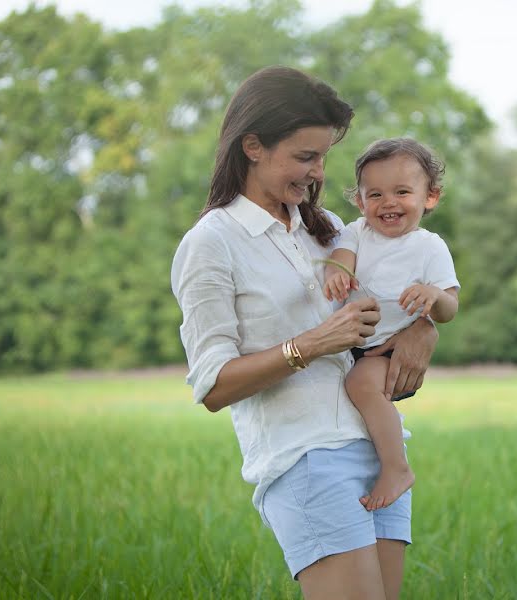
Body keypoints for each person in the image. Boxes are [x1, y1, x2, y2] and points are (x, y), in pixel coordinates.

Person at [170, 66, 438, 600]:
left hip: (379, 451)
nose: (318, 172)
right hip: (305, 459)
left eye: (323, 156)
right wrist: (312, 344)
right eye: (304, 156)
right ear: (252, 146)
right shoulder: (212, 243)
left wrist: (423, 330)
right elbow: (213, 385)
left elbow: (394, 309)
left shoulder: (334, 230)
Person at [322, 138, 460, 513]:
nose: (389, 203)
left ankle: (396, 468)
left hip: (385, 348)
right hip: (351, 344)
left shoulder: (430, 247)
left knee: (360, 384)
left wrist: (434, 295)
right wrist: (338, 272)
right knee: (352, 387)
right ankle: (375, 457)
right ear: (360, 201)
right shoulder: (357, 232)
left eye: (402, 192)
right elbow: (341, 256)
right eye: (376, 194)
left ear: (430, 197)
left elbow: (449, 308)